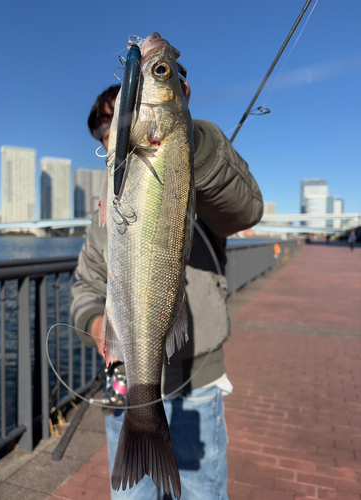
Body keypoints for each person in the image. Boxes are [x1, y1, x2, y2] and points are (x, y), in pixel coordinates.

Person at [71, 68, 263, 498]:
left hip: (196, 379)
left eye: (116, 119)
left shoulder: (195, 170)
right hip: (125, 381)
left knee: (201, 492)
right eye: (103, 127)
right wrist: (96, 326)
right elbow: (85, 286)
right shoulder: (104, 211)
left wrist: (188, 139)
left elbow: (248, 209)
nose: (109, 133)